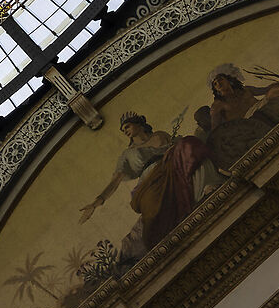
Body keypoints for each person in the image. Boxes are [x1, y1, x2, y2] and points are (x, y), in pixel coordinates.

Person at [80, 112, 212, 262]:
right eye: (123, 130)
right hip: (150, 180)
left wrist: (175, 145)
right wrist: (96, 202)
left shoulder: (160, 135)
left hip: (172, 164)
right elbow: (115, 181)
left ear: (138, 123)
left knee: (189, 143)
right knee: (151, 205)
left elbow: (177, 146)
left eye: (127, 126)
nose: (125, 131)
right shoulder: (127, 154)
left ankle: (205, 188)